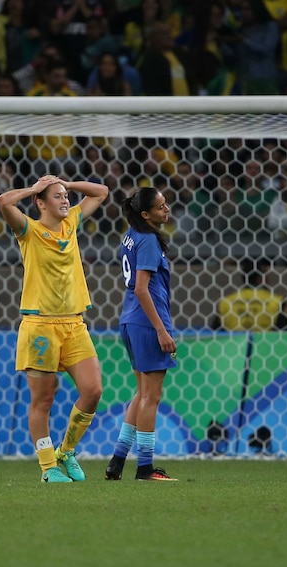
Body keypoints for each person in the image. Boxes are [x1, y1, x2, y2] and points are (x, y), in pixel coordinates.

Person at [0, 174, 108, 483]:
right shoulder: (28, 231)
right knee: (43, 401)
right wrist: (34, 188)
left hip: (74, 323)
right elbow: (4, 202)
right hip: (40, 325)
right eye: (56, 196)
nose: (64, 200)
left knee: (93, 390)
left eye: (65, 196)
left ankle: (66, 451)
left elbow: (101, 192)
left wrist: (68, 184)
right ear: (40, 203)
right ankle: (48, 467)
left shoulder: (72, 221)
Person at [105, 187, 178, 482]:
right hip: (147, 322)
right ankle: (145, 467)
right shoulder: (147, 240)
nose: (167, 209)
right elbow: (141, 287)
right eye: (161, 206)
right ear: (145, 214)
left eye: (166, 204)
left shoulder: (132, 235)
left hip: (130, 320)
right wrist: (161, 329)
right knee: (152, 395)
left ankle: (117, 462)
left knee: (141, 393)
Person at [210, 258, 287, 331]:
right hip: (266, 345)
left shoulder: (226, 302)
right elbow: (285, 337)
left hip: (236, 345)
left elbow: (215, 336)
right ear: (260, 278)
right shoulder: (277, 302)